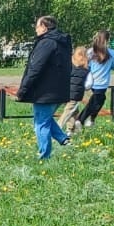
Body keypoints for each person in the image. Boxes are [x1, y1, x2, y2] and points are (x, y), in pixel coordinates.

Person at [15, 16, 72, 158]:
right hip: (59, 89)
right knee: (44, 118)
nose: (36, 29)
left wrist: (23, 89)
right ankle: (63, 139)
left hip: (45, 91)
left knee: (41, 123)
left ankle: (44, 155)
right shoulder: (62, 42)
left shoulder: (46, 43)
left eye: (37, 26)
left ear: (45, 27)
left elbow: (35, 68)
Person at [78, 31, 114, 129]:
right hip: (102, 83)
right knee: (95, 102)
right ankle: (81, 120)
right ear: (108, 40)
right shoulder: (112, 53)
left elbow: (87, 66)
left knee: (98, 100)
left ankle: (90, 120)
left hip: (91, 82)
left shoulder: (90, 51)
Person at [57, 45, 88, 133]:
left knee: (73, 112)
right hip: (75, 95)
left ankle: (71, 130)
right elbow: (88, 84)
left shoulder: (69, 65)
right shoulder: (86, 68)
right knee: (68, 112)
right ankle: (58, 129)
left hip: (65, 92)